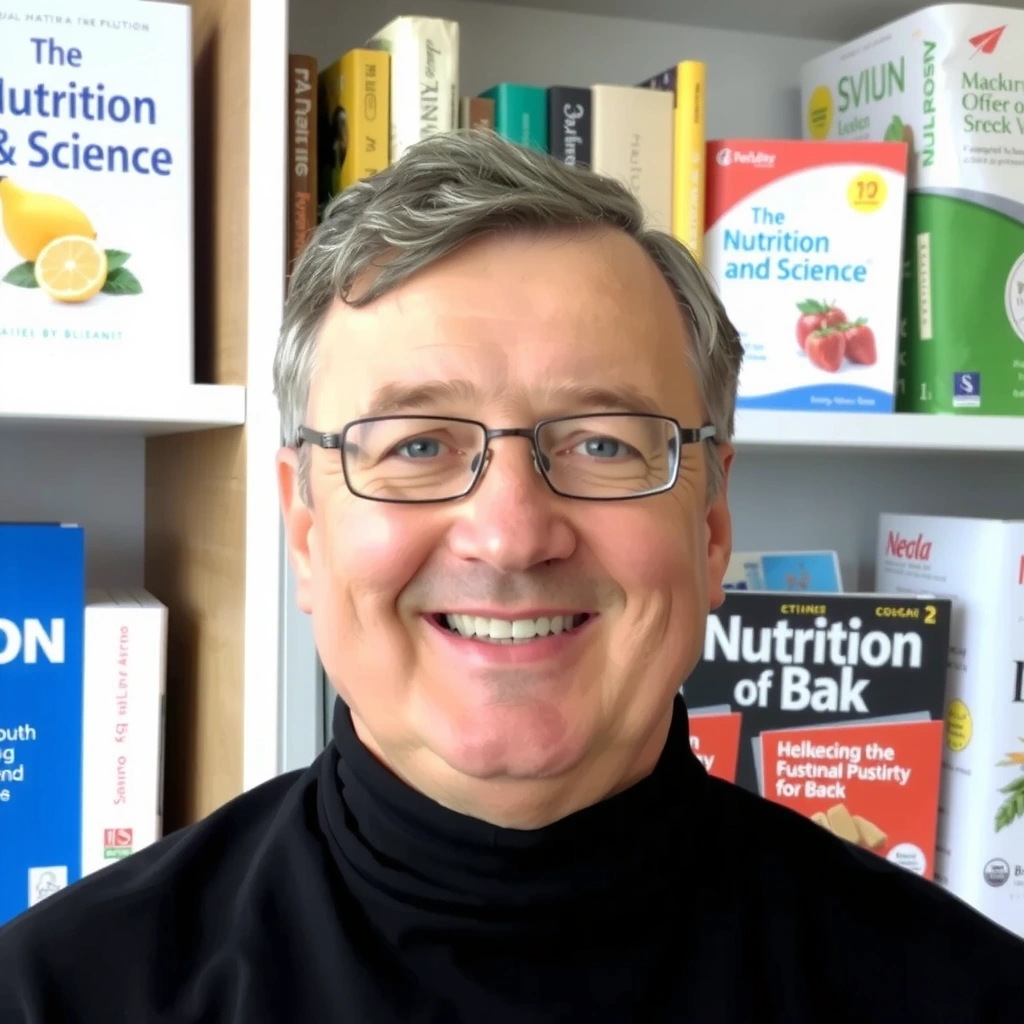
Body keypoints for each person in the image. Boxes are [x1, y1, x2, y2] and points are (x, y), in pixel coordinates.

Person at [1, 129, 1022, 1023]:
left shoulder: (965, 991)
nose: (510, 534)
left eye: (604, 444)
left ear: (711, 525)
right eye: (415, 446)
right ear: (305, 528)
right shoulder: (54, 992)